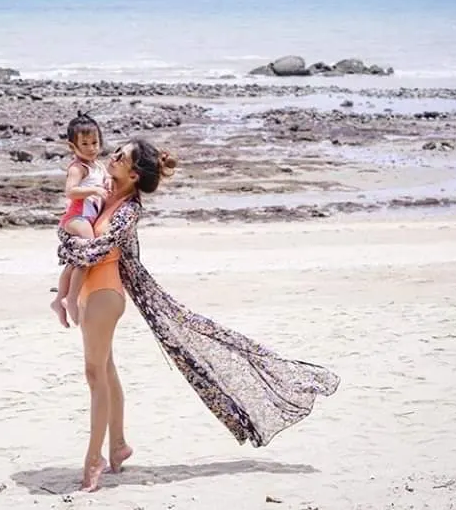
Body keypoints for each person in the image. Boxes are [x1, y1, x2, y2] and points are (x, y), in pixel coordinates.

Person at [58, 138, 340, 492]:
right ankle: (118, 445)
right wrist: (70, 245)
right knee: (105, 370)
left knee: (94, 374)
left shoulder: (128, 211)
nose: (111, 157)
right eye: (115, 152)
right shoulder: (102, 195)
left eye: (121, 156)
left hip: (105, 294)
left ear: (134, 174)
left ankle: (93, 459)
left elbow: (96, 249)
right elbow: (74, 224)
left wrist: (70, 243)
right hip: (89, 292)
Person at [51, 112, 110, 328]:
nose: (91, 148)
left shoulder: (99, 166)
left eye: (95, 142)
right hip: (76, 217)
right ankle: (71, 298)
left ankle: (59, 300)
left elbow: (107, 181)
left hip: (87, 217)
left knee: (75, 262)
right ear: (72, 146)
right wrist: (94, 190)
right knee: (89, 252)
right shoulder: (78, 168)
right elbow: (70, 191)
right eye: (84, 144)